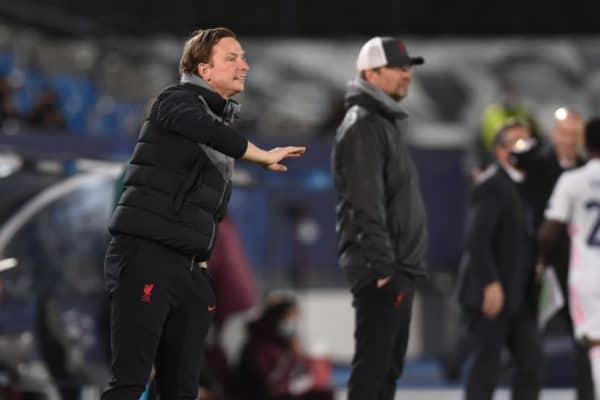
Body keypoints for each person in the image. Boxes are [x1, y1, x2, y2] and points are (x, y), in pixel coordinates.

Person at [102, 27, 305, 400]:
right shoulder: (174, 99)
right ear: (203, 70)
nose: (244, 65)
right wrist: (260, 155)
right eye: (232, 58)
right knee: (130, 382)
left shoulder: (217, 123)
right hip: (147, 256)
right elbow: (203, 128)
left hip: (188, 268)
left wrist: (200, 262)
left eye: (244, 57)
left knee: (182, 390)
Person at [331, 36, 428, 400]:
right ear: (371, 73)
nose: (407, 76)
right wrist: (385, 267)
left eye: (408, 69)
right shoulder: (363, 124)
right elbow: (365, 202)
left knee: (385, 370)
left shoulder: (381, 123)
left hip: (394, 266)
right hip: (382, 269)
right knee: (374, 370)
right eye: (399, 68)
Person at [457, 120, 542, 400]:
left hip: (519, 295)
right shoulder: (492, 185)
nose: (523, 149)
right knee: (486, 368)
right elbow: (477, 239)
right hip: (491, 295)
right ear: (500, 150)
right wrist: (490, 283)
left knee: (530, 365)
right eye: (515, 143)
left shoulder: (527, 184)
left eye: (526, 142)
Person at [538, 117, 600, 399]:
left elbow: (550, 231)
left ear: (586, 145)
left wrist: (538, 257)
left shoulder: (573, 180)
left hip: (586, 275)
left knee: (594, 344)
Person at [234, 293, 333, 400]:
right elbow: (271, 385)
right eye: (289, 318)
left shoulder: (283, 347)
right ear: (277, 318)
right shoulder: (260, 348)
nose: (292, 324)